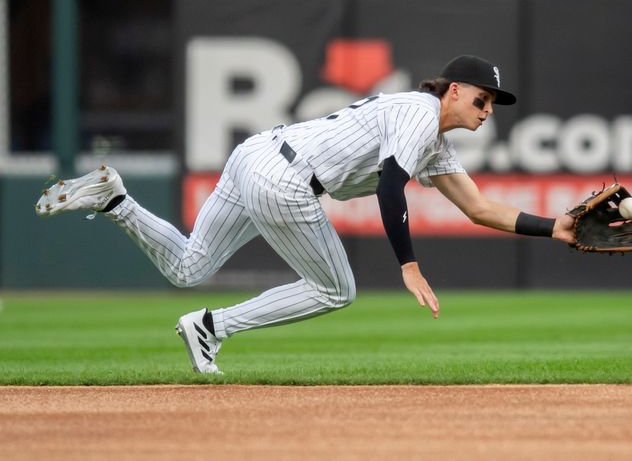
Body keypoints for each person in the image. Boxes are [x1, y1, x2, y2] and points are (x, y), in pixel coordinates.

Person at [36, 55, 579, 374]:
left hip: (257, 154)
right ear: (455, 90)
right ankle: (210, 326)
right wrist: (408, 265)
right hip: (286, 179)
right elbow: (392, 186)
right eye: (483, 101)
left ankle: (113, 199)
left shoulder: (434, 143)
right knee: (336, 290)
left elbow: (480, 208)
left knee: (187, 268)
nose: (487, 113)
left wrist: (552, 226)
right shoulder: (420, 112)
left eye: (492, 107)